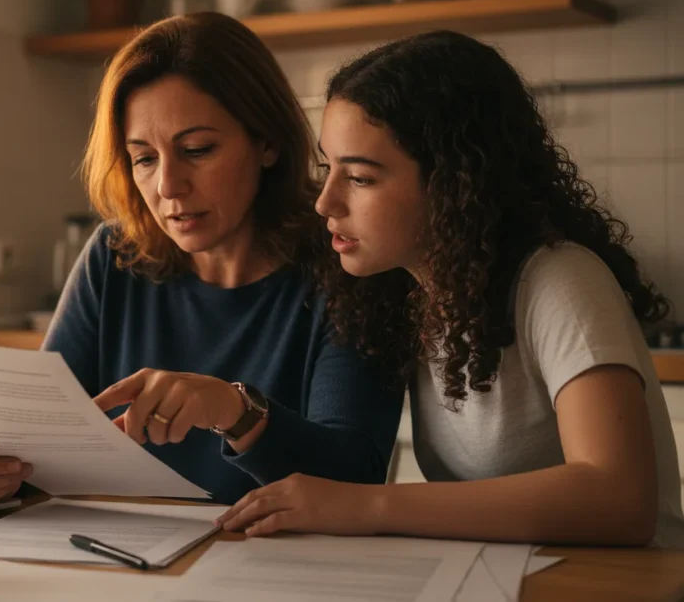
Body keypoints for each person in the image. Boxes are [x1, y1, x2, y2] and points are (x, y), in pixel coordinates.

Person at [218, 30, 684, 548]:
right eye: (329, 169)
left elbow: (619, 499)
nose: (325, 203)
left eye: (362, 178)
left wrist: (368, 505)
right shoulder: (411, 298)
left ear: (453, 183)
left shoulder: (559, 280)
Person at [0, 12, 403, 506]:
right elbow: (44, 450)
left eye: (197, 150)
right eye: (143, 158)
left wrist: (235, 410)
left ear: (267, 141)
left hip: (279, 567)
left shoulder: (349, 260)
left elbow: (355, 476)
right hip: (124, 561)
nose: (167, 187)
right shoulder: (114, 256)